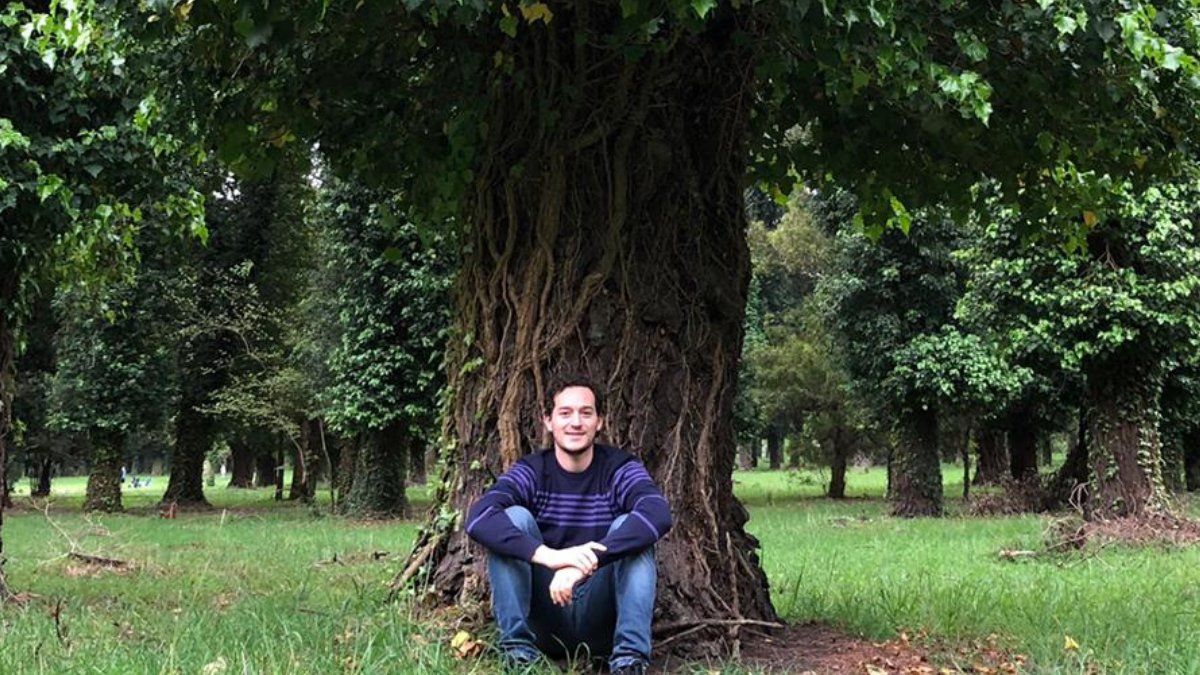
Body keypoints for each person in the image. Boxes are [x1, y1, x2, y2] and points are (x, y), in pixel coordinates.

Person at [465, 374, 672, 675]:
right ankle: (518, 654)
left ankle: (629, 660)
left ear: (599, 421)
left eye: (586, 413)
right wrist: (553, 557)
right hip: (546, 618)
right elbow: (480, 517)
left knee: (632, 528)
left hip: (601, 621)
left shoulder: (619, 468)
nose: (576, 422)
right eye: (565, 413)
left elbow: (658, 513)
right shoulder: (532, 471)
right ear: (548, 421)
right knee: (513, 519)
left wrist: (587, 562)